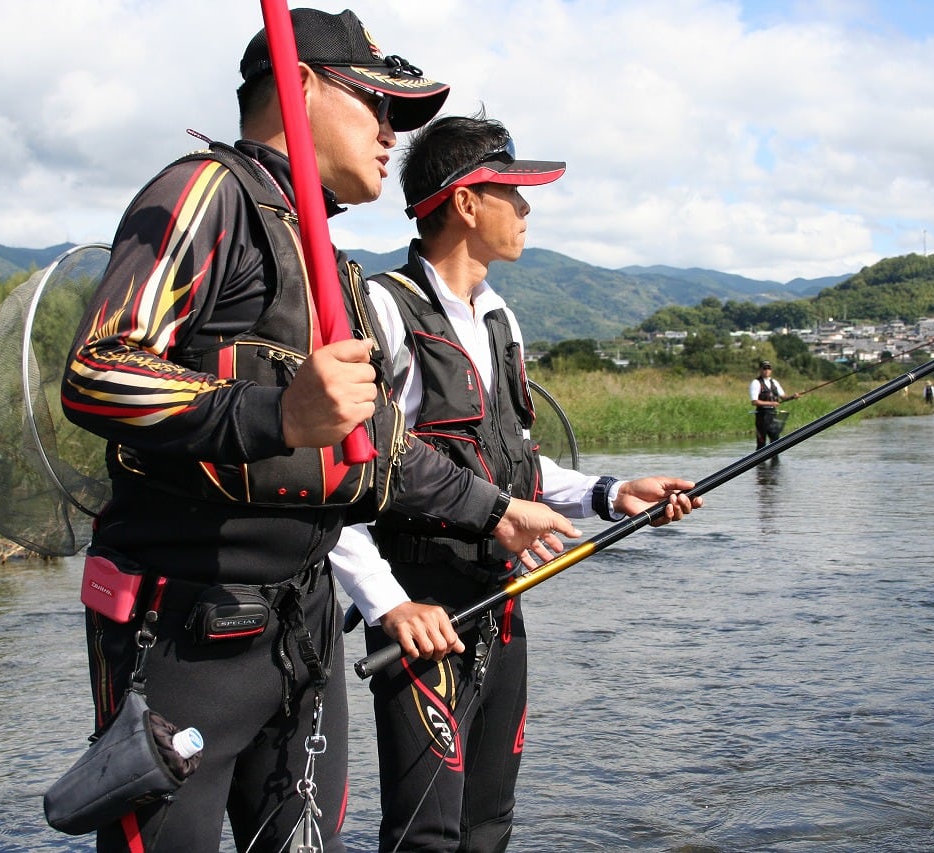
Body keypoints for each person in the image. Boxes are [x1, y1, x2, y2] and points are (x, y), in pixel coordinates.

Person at [59, 13, 579, 853]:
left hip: (304, 631)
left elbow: (380, 449)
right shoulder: (202, 192)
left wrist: (494, 510)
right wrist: (274, 414)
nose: (388, 135)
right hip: (183, 628)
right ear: (300, 90)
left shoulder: (328, 258)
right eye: (374, 104)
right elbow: (97, 371)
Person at [330, 114, 701, 852]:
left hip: (503, 611)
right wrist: (389, 604)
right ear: (466, 203)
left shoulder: (502, 320)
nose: (528, 211)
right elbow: (340, 479)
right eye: (515, 193)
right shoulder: (380, 308)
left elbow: (518, 467)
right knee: (425, 835)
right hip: (422, 617)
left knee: (490, 827)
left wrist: (611, 492)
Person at [750, 360, 798, 449]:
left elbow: (783, 397)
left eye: (769, 368)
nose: (767, 370)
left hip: (774, 415)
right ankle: (759, 462)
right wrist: (771, 403)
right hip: (762, 416)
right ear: (760, 370)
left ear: (771, 370)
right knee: (761, 444)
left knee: (776, 443)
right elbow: (754, 402)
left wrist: (792, 397)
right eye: (764, 368)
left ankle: (775, 462)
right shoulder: (756, 383)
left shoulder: (774, 382)